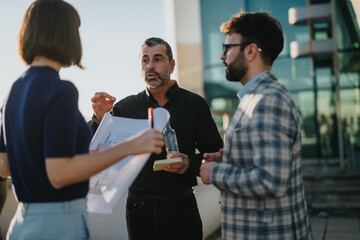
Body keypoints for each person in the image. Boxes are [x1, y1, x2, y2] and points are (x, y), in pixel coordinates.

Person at [0, 1, 163, 239]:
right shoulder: (60, 90)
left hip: (23, 224)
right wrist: (132, 146)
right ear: (65, 33)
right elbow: (59, 173)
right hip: (58, 223)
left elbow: (4, 168)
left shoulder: (13, 90)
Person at [90, 37, 223, 240]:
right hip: (138, 212)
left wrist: (189, 162)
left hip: (182, 208)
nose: (150, 66)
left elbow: (215, 152)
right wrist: (100, 119)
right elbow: (96, 151)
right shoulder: (125, 107)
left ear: (172, 64)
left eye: (157, 59)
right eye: (145, 60)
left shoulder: (194, 104)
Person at [199, 12, 313, 239]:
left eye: (228, 48)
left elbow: (270, 180)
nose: (222, 56)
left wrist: (216, 172)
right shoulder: (253, 98)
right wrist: (229, 157)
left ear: (250, 51)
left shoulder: (268, 100)